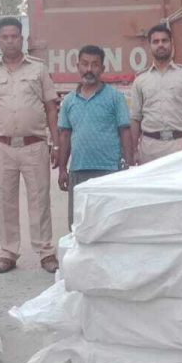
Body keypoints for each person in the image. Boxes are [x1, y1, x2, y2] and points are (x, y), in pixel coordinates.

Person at [0, 17, 61, 274]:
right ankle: (8, 252)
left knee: (40, 199)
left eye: (14, 36)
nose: (10, 41)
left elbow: (51, 108)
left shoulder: (38, 69)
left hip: (34, 145)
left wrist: (56, 143)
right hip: (1, 146)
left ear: (22, 39)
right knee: (5, 201)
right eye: (5, 37)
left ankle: (45, 251)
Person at [57, 45, 134, 228]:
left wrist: (129, 165)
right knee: (79, 225)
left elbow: (125, 132)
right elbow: (65, 135)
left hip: (109, 171)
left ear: (102, 68)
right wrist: (62, 169)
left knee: (109, 225)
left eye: (95, 64)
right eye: (85, 64)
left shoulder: (115, 98)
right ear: (78, 66)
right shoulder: (69, 101)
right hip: (78, 171)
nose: (89, 69)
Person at [130, 24, 182, 163]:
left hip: (179, 146)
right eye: (156, 41)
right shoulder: (140, 80)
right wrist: (134, 150)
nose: (160, 45)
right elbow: (135, 118)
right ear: (150, 46)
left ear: (171, 44)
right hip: (150, 147)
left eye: (164, 41)